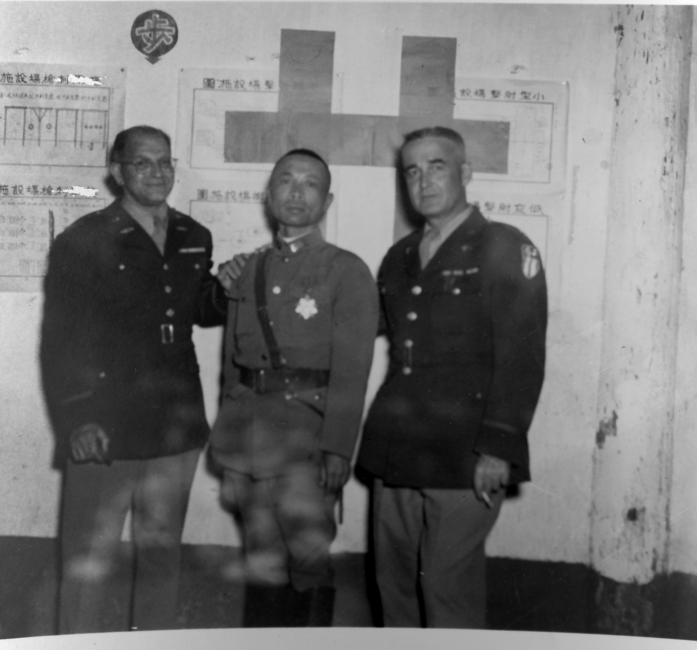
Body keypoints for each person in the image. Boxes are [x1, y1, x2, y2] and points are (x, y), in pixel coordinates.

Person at [40, 125, 233, 633]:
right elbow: (60, 343)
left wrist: (226, 291)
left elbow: (193, 312)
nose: (157, 172)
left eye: (165, 162)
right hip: (106, 426)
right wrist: (78, 419)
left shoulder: (195, 236)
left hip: (176, 426)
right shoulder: (84, 240)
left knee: (161, 559)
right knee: (88, 563)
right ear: (118, 172)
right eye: (143, 163)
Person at [357, 126, 548, 629]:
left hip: (464, 453)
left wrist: (499, 447)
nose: (423, 181)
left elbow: (521, 356)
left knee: (446, 589)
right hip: (396, 449)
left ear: (465, 173)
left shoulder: (504, 245)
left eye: (436, 166)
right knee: (393, 586)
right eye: (412, 171)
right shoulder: (398, 258)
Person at [209, 149, 378, 627]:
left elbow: (352, 370)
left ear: (327, 201)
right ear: (268, 195)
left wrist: (338, 448)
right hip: (247, 442)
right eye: (286, 181)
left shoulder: (346, 271)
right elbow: (233, 369)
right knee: (261, 560)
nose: (297, 192)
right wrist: (227, 448)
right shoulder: (250, 270)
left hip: (308, 443)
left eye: (310, 184)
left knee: (308, 560)